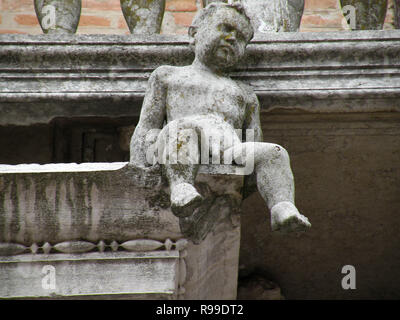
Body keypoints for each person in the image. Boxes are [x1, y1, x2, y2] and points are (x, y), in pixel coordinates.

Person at [130, 2, 311, 233]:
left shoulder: (244, 93)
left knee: (275, 152)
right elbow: (146, 126)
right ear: (194, 33)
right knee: (181, 131)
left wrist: (247, 179)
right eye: (225, 28)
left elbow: (252, 139)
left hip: (229, 152)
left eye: (241, 38)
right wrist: (137, 166)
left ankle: (281, 206)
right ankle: (181, 185)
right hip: (185, 141)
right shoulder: (168, 76)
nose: (232, 38)